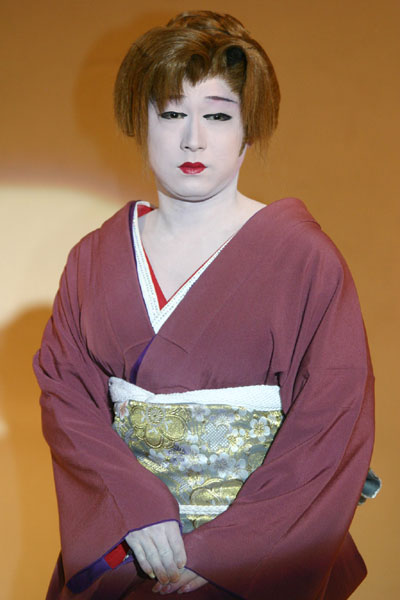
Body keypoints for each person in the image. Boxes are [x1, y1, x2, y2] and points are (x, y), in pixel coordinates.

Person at [34, 10, 378, 600]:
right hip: (130, 553)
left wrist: (231, 551)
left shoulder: (304, 258)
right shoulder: (93, 259)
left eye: (218, 115)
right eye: (172, 113)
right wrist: (132, 508)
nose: (193, 138)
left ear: (250, 129)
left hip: (254, 566)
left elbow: (332, 423)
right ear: (140, 122)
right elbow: (66, 399)